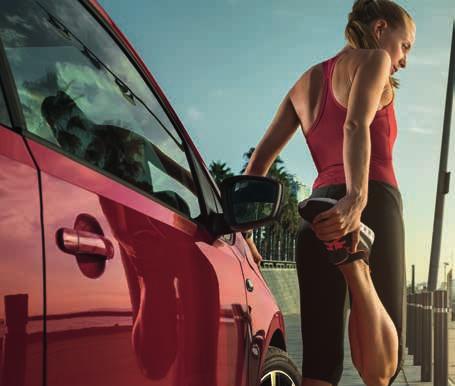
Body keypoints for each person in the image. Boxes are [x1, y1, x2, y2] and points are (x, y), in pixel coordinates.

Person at [243, 0, 416, 385]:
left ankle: (347, 255)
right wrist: (357, 199)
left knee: (319, 364)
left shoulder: (304, 83)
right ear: (380, 29)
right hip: (371, 206)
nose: (403, 59)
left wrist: (246, 231)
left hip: (317, 216)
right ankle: (354, 262)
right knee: (383, 369)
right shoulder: (374, 61)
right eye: (405, 46)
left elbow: (258, 163)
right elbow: (355, 125)